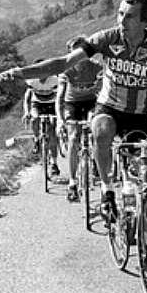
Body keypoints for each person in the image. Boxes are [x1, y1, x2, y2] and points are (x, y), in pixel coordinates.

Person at [0, 0, 147, 223]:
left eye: (130, 16)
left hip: (140, 116)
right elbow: (63, 63)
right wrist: (18, 73)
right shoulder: (106, 38)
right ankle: (107, 189)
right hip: (109, 108)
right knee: (102, 129)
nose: (121, 21)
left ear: (146, 21)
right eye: (120, 13)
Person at [56, 36, 102, 201]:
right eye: (73, 52)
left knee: (98, 133)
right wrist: (60, 120)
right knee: (74, 138)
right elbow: (59, 97)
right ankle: (72, 182)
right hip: (72, 104)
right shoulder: (66, 70)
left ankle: (98, 163)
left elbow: (105, 89)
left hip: (91, 102)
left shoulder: (96, 67)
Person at [23, 67, 60, 176]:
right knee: (34, 118)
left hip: (52, 104)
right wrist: (26, 112)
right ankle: (36, 139)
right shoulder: (32, 81)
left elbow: (60, 96)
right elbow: (27, 98)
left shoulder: (54, 80)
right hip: (37, 104)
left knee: (52, 134)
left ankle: (54, 163)